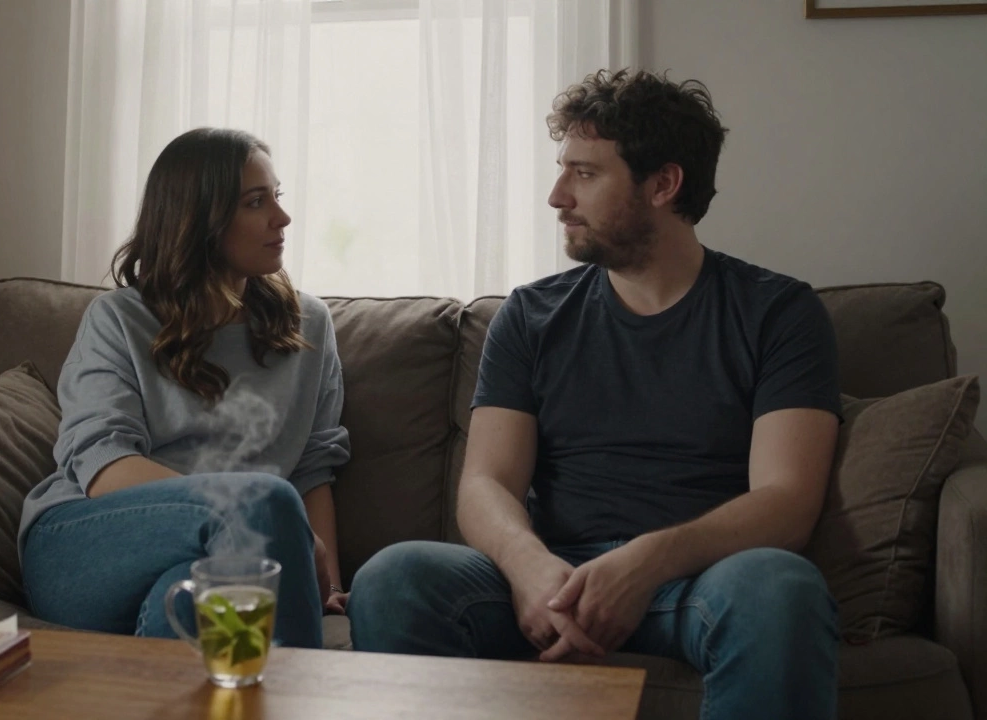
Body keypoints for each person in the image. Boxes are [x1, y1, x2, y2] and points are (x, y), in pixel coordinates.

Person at [348, 69, 842, 719]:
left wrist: (643, 564)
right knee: (394, 577)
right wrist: (529, 569)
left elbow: (786, 502)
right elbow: (485, 483)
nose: (557, 196)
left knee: (782, 588)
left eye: (584, 174)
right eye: (563, 171)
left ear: (663, 184)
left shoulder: (778, 313)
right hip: (554, 575)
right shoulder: (530, 315)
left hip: (699, 581)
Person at [19, 127, 351, 649]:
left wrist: (323, 585)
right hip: (87, 540)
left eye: (277, 198)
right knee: (264, 501)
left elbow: (313, 464)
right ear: (201, 221)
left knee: (195, 599)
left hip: (227, 557)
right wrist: (266, 519)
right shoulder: (119, 319)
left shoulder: (309, 325)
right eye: (255, 202)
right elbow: (103, 463)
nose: (281, 219)